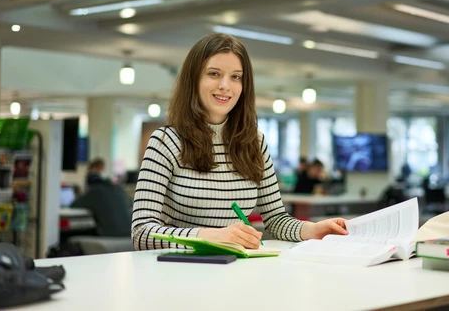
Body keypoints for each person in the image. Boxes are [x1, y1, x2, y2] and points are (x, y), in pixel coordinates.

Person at [131, 33, 347, 251]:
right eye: (214, 74)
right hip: (178, 272)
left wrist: (311, 230)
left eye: (236, 77)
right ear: (193, 79)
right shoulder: (165, 141)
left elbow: (276, 219)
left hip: (236, 269)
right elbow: (141, 232)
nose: (226, 85)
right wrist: (211, 236)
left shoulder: (255, 141)